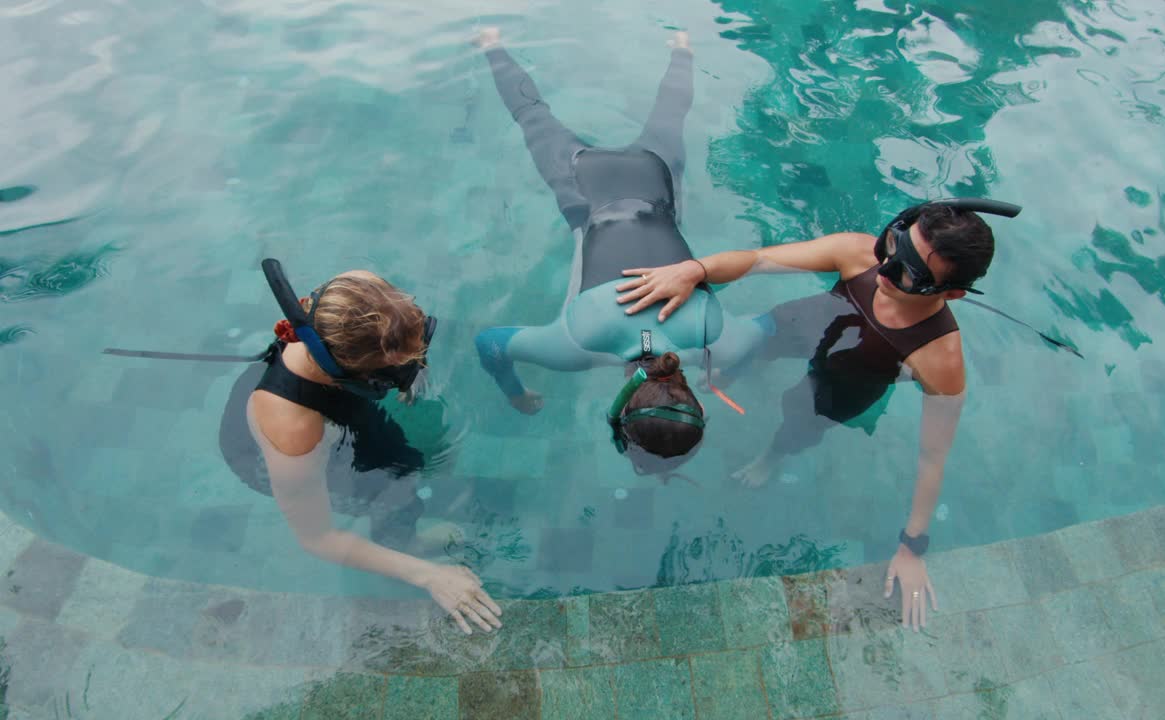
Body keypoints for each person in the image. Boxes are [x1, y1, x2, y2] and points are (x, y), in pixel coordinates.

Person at [615, 198, 1020, 629]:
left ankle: (770, 458)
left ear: (951, 292)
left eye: (908, 273)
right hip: (812, 323)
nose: (883, 270)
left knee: (801, 421)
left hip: (854, 376)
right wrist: (694, 269)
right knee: (751, 341)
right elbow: (758, 259)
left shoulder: (940, 358)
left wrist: (912, 545)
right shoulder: (859, 253)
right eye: (893, 245)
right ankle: (736, 372)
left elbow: (933, 458)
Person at [471, 28, 766, 471]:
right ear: (618, 407)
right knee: (533, 116)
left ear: (700, 408)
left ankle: (682, 50)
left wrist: (729, 370)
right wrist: (514, 391)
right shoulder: (575, 347)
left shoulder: (719, 337)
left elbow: (774, 328)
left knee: (669, 116)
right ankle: (491, 43)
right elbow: (490, 344)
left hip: (655, 179)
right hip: (583, 190)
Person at [219, 259, 502, 635]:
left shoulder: (358, 287)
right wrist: (431, 576)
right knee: (382, 492)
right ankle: (406, 544)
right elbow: (318, 539)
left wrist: (410, 372)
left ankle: (404, 530)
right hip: (273, 456)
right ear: (353, 374)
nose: (412, 367)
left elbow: (405, 331)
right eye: (395, 370)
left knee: (404, 462)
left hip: (337, 401)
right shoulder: (294, 432)